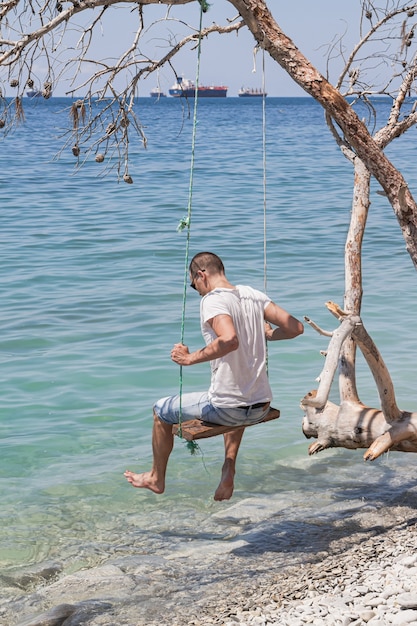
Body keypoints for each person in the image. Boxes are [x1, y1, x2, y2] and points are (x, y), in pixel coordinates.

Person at [124, 252, 303, 501]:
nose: (196, 290)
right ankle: (228, 466)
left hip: (228, 409)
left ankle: (156, 477)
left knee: (160, 410)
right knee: (237, 395)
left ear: (201, 275)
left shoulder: (212, 300)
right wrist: (269, 334)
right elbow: (295, 328)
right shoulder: (252, 294)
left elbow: (229, 340)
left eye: (193, 283)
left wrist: (190, 358)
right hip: (261, 407)